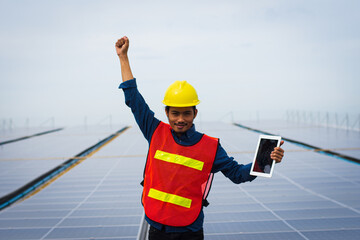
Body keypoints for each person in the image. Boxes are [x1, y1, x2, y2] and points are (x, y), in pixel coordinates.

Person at [115, 36, 284, 240]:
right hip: (156, 227)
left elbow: (238, 174)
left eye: (186, 113)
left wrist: (266, 159)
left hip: (190, 231)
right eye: (175, 113)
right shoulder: (154, 131)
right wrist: (123, 58)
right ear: (167, 113)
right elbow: (133, 98)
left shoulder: (211, 147)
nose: (180, 119)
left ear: (195, 114)